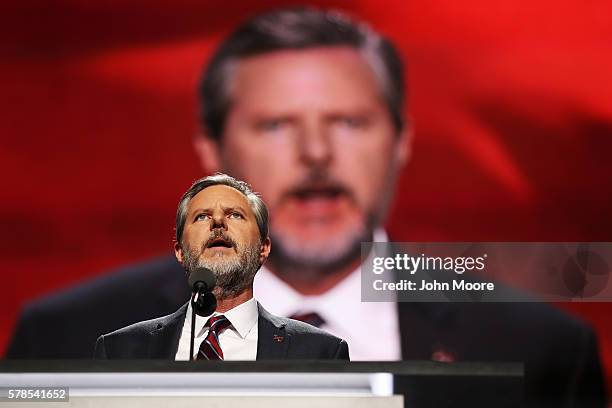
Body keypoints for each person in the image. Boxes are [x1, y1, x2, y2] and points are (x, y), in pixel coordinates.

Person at [7, 7, 607, 407]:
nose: (317, 154)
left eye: (349, 122)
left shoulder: (541, 351)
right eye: (275, 125)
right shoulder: (69, 337)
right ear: (212, 150)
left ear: (401, 142)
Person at [94, 173, 349, 360]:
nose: (217, 221)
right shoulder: (121, 350)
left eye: (235, 215)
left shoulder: (320, 352)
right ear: (180, 252)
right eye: (201, 216)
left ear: (264, 248)